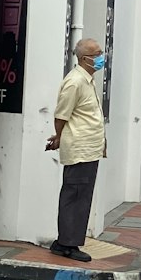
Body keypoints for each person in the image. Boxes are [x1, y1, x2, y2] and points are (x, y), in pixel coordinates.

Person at [45, 38, 107, 262]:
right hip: (80, 149)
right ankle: (66, 244)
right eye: (97, 53)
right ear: (84, 59)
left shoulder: (87, 80)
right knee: (76, 195)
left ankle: (69, 240)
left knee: (82, 196)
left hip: (89, 148)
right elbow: (61, 115)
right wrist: (59, 137)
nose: (102, 57)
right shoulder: (75, 82)